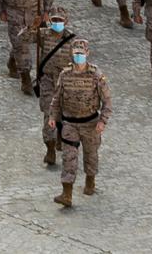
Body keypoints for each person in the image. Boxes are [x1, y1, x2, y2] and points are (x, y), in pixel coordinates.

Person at [47, 39, 113, 207]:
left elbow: (107, 101)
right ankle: (66, 193)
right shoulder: (65, 74)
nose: (78, 56)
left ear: (87, 54)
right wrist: (53, 116)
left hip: (90, 123)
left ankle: (90, 180)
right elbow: (56, 98)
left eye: (81, 54)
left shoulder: (96, 75)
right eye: (76, 53)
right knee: (69, 157)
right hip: (70, 123)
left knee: (90, 155)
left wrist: (102, 121)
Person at [28, 7, 82, 167]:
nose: (57, 23)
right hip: (48, 81)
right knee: (49, 113)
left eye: (60, 20)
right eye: (54, 20)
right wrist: (33, 26)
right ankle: (50, 148)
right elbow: (23, 38)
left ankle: (61, 136)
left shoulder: (73, 40)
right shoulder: (44, 35)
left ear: (66, 21)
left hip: (65, 83)